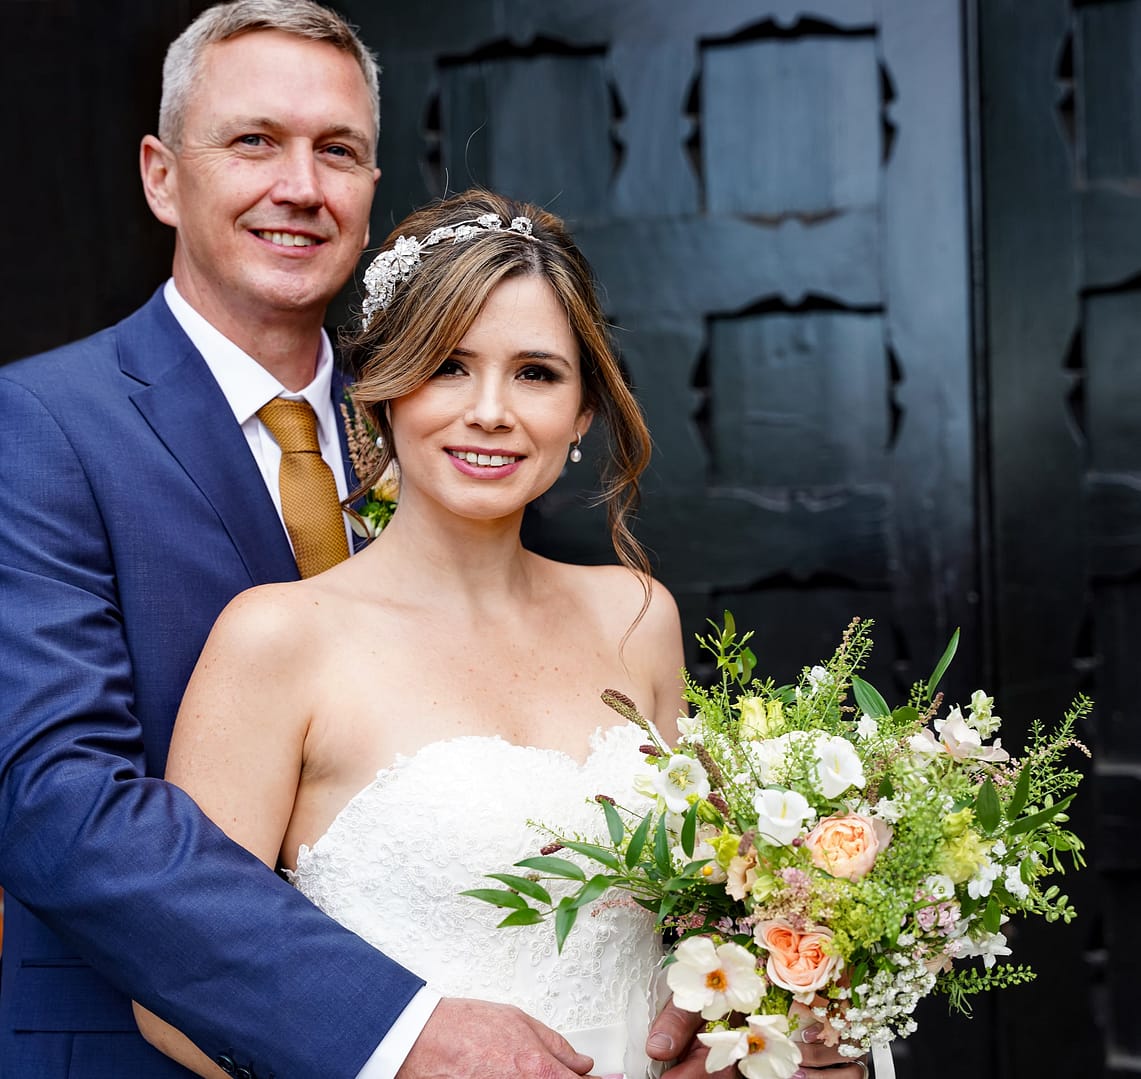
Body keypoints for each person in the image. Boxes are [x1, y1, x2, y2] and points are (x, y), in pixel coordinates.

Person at [0, 5, 636, 1078]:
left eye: (336, 150)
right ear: (161, 175)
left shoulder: (446, 420)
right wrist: (393, 1028)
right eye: (254, 141)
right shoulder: (39, 424)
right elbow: (56, 796)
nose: (300, 185)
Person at [132, 188, 870, 1079]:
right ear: (382, 391)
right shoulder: (280, 638)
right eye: (448, 365)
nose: (491, 410)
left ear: (583, 412)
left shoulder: (636, 613)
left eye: (536, 372)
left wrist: (754, 1011)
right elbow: (176, 988)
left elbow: (711, 909)